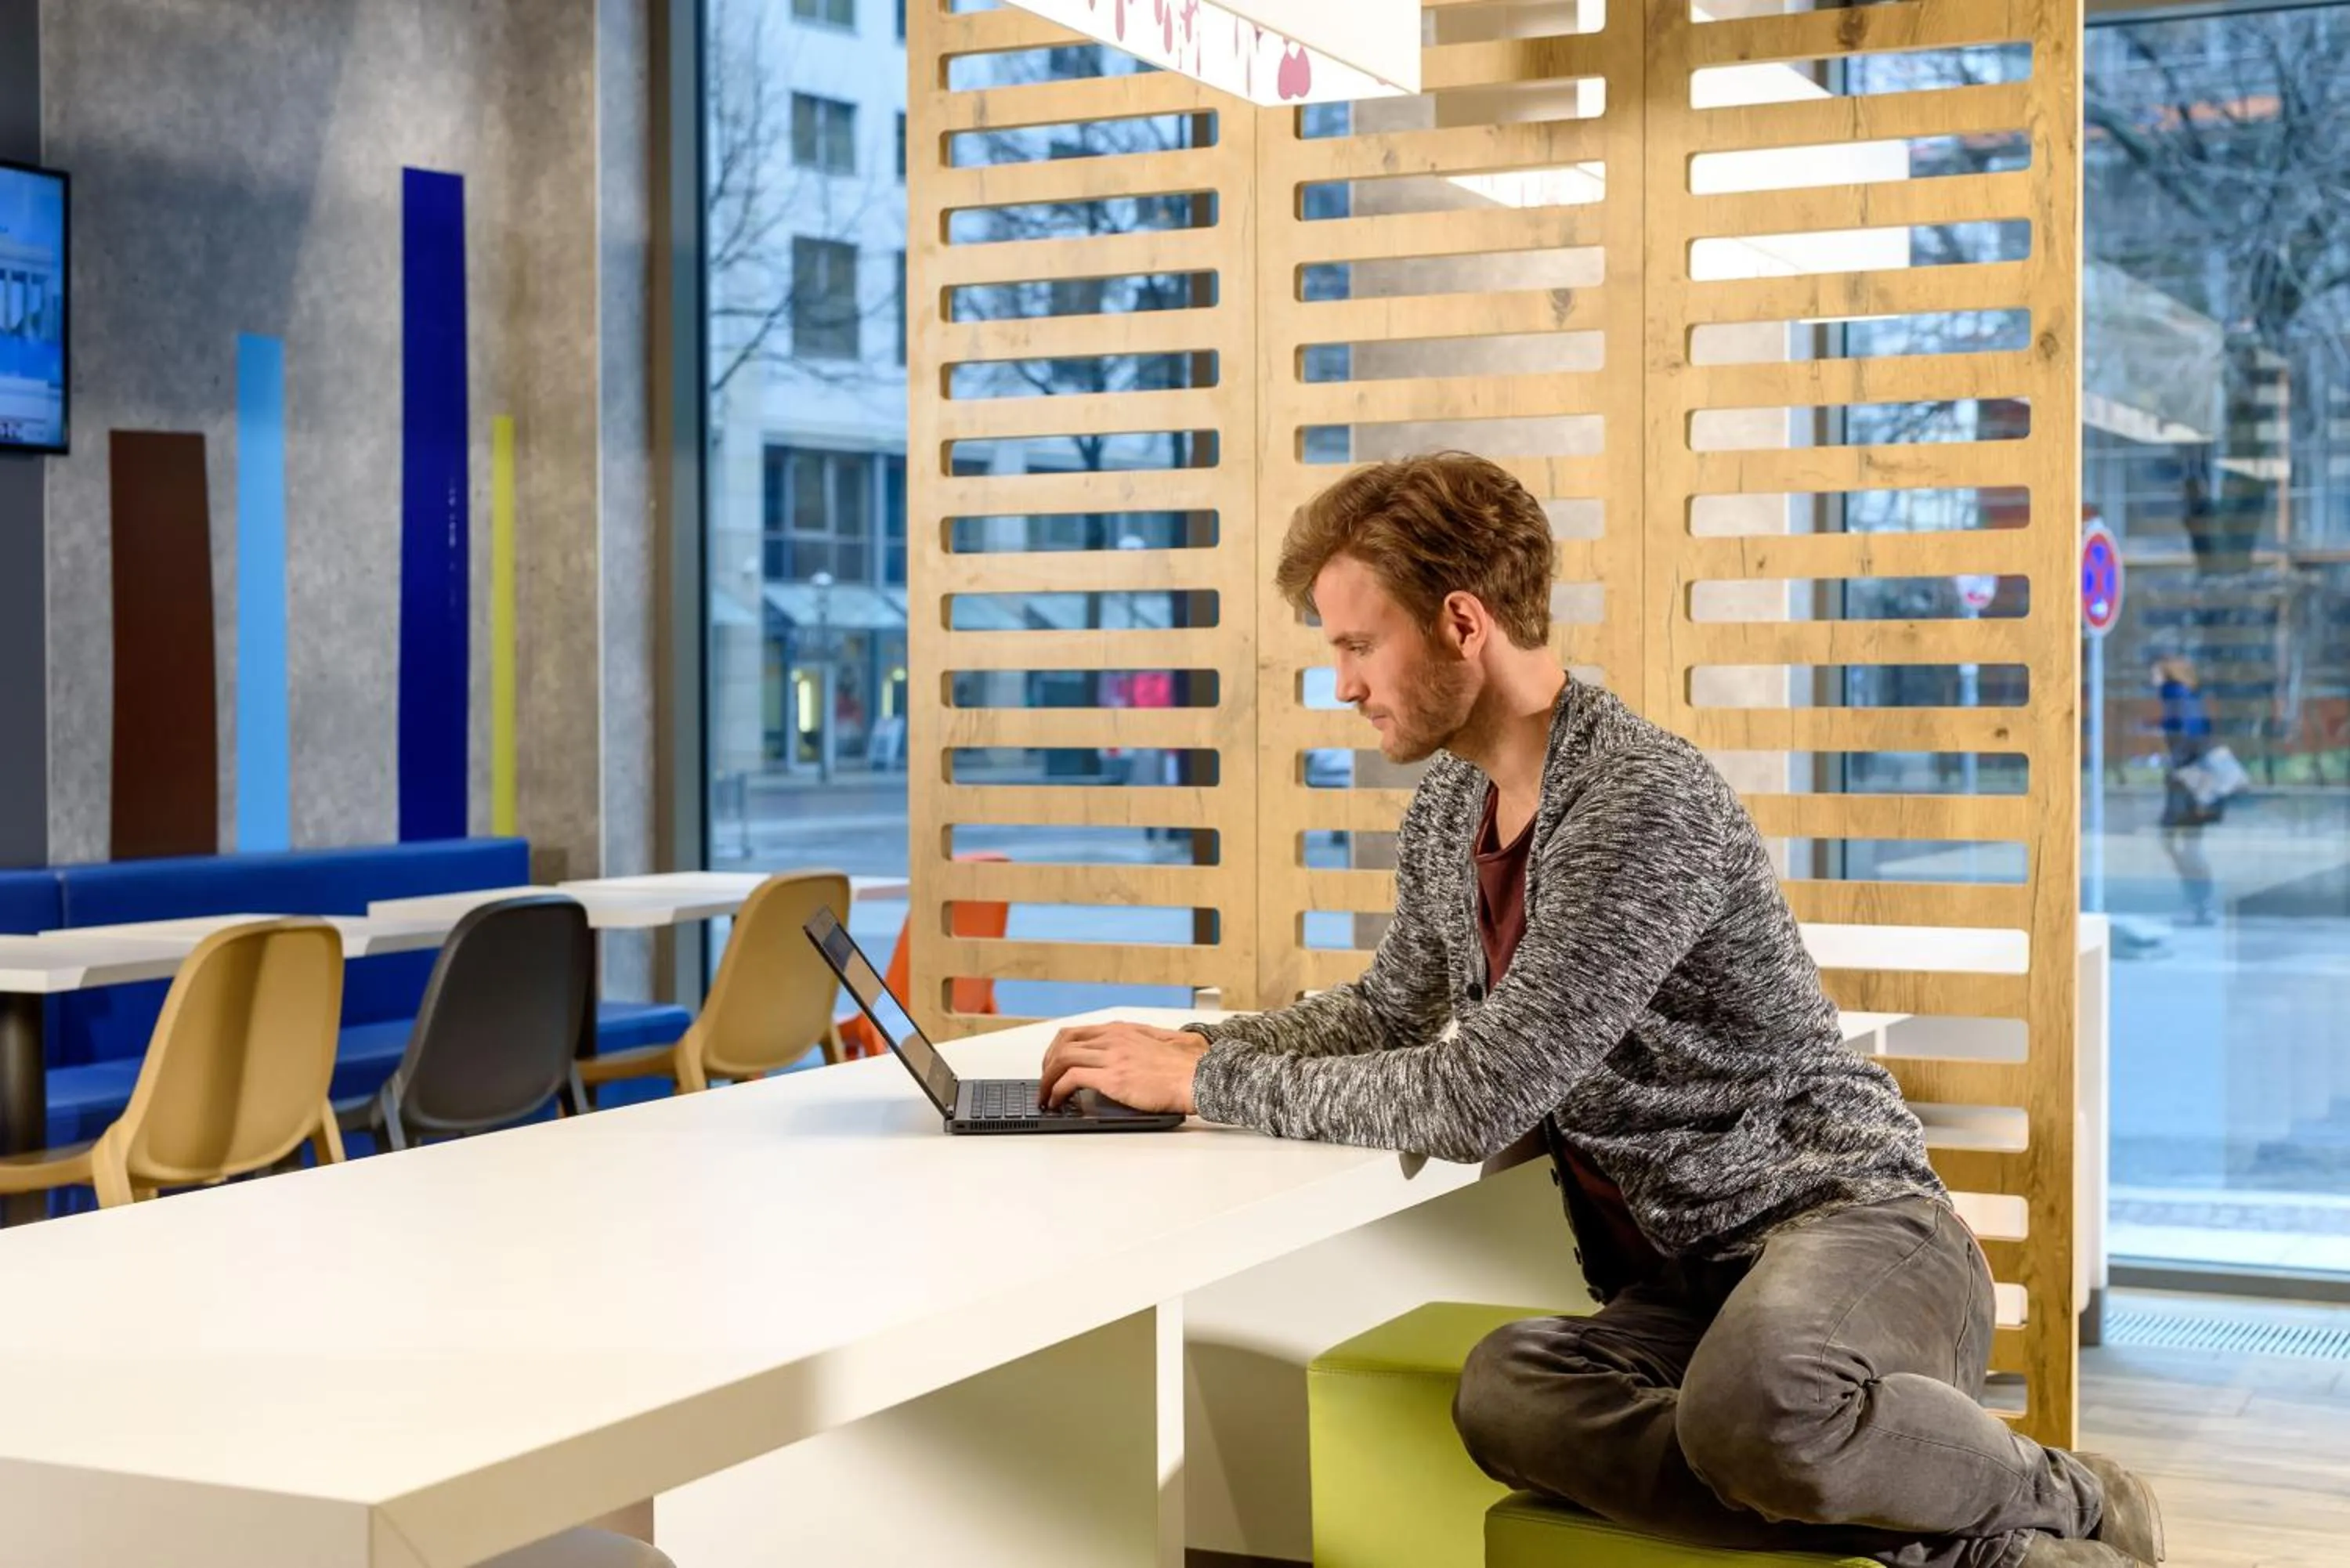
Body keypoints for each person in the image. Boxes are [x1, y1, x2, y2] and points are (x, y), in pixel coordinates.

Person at [1039, 453, 2164, 1568]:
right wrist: (1194, 1046)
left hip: (1850, 1228)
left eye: (1355, 643)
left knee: (1757, 1409)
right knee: (1505, 1389)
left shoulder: (1640, 799)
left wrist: (1200, 1082)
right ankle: (1937, 1526)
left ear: (1463, 622)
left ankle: (2057, 1499)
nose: (1343, 681)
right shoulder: (1451, 808)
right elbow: (1392, 1009)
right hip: (1684, 1289)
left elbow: (1481, 1091)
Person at [2153, 653, 2222, 925]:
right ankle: (2199, 904)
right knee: (2184, 842)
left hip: (2187, 781)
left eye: (2156, 670)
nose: (2152, 676)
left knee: (2182, 842)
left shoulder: (2177, 696)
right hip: (2189, 779)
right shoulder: (2183, 696)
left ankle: (2201, 904)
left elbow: (2189, 738)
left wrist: (2176, 764)